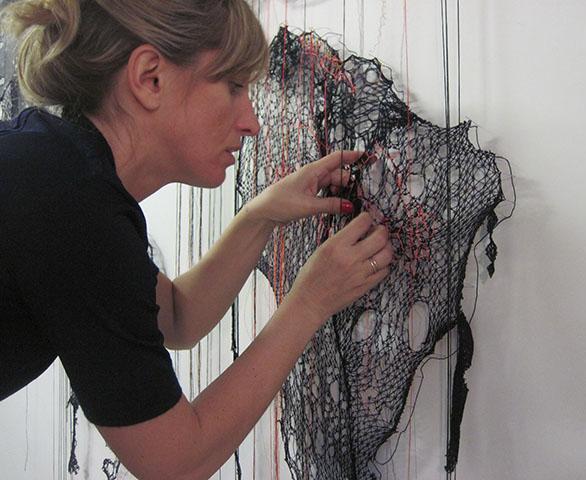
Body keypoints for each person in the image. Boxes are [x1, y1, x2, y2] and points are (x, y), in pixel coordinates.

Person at [0, 0, 393, 478]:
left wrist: (261, 216)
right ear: (150, 79)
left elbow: (175, 317)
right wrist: (310, 301)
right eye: (233, 87)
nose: (252, 122)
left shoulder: (58, 170)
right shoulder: (70, 205)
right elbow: (176, 461)